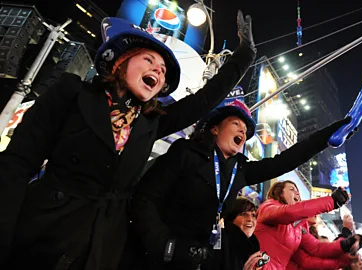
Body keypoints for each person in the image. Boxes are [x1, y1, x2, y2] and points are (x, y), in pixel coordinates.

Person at [0, 12, 256, 270]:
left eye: (163, 71)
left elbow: (204, 100)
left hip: (103, 248)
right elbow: (18, 163)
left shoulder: (150, 122)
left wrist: (245, 55)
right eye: (149, 59)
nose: (158, 70)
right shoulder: (74, 93)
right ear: (121, 62)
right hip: (44, 232)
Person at [131, 96, 355, 269]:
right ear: (214, 128)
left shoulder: (240, 169)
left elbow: (286, 160)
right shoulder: (185, 152)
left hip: (199, 256)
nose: (243, 131)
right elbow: (146, 197)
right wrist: (164, 245)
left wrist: (328, 136)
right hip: (157, 252)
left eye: (246, 130)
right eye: (236, 123)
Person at [255, 180, 362, 269]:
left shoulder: (298, 228)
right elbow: (288, 212)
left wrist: (345, 246)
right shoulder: (268, 206)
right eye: (292, 189)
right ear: (279, 192)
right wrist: (332, 201)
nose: (297, 193)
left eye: (298, 190)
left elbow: (316, 248)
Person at [210, 196, 265, 270]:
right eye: (243, 214)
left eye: (253, 215)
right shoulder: (220, 241)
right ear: (231, 218)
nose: (250, 219)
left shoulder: (253, 246)